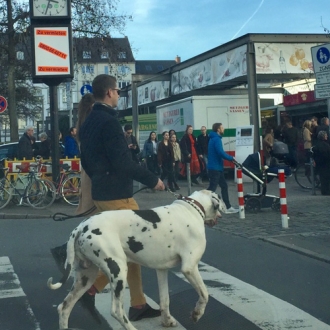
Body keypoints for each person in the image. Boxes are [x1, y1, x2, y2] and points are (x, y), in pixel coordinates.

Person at [79, 74, 164, 322]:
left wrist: (100, 175)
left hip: (102, 192)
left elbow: (86, 160)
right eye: (117, 91)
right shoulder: (108, 122)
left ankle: (137, 304)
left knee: (129, 248)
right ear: (108, 93)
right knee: (136, 247)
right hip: (118, 195)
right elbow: (123, 163)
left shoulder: (89, 121)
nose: (119, 95)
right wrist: (153, 180)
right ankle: (93, 288)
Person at [51, 93, 98, 318]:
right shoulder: (90, 123)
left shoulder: (81, 124)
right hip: (94, 177)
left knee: (92, 221)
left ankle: (74, 254)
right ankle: (71, 254)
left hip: (87, 175)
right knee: (95, 222)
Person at [207, 123, 239, 214]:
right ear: (218, 129)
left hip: (216, 167)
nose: (223, 129)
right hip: (215, 168)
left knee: (223, 186)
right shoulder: (216, 139)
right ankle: (203, 204)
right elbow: (220, 152)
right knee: (212, 189)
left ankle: (228, 206)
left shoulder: (213, 138)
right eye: (222, 127)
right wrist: (231, 158)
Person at [312, 131, 330, 195]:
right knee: (326, 178)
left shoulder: (317, 144)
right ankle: (326, 191)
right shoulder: (326, 145)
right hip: (326, 163)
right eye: (326, 135)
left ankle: (324, 191)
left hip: (319, 163)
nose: (327, 136)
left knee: (323, 178)